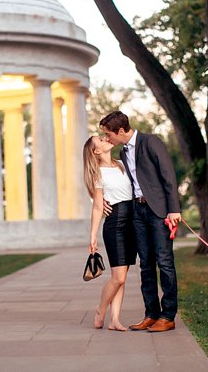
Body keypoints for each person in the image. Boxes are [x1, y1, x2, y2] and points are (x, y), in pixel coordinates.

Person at [99, 110, 181, 333]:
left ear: (121, 130)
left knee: (164, 261)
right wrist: (104, 199)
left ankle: (168, 315)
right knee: (145, 264)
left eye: (109, 134)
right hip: (138, 212)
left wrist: (173, 209)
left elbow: (168, 176)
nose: (107, 139)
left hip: (159, 212)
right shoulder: (124, 153)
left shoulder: (151, 142)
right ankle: (151, 314)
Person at [82, 135, 136, 331]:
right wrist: (93, 236)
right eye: (101, 140)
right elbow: (97, 207)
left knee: (122, 275)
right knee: (118, 277)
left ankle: (114, 320)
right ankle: (100, 310)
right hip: (115, 224)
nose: (106, 139)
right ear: (96, 151)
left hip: (133, 222)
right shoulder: (98, 174)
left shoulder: (123, 164)